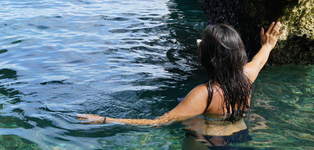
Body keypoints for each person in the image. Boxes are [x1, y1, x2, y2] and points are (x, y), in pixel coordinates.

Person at [77, 21, 283, 127]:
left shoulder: (204, 94)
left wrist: (103, 119)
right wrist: (268, 44)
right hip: (240, 136)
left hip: (209, 144)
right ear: (238, 53)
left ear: (206, 58)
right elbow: (260, 59)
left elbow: (158, 122)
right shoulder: (246, 77)